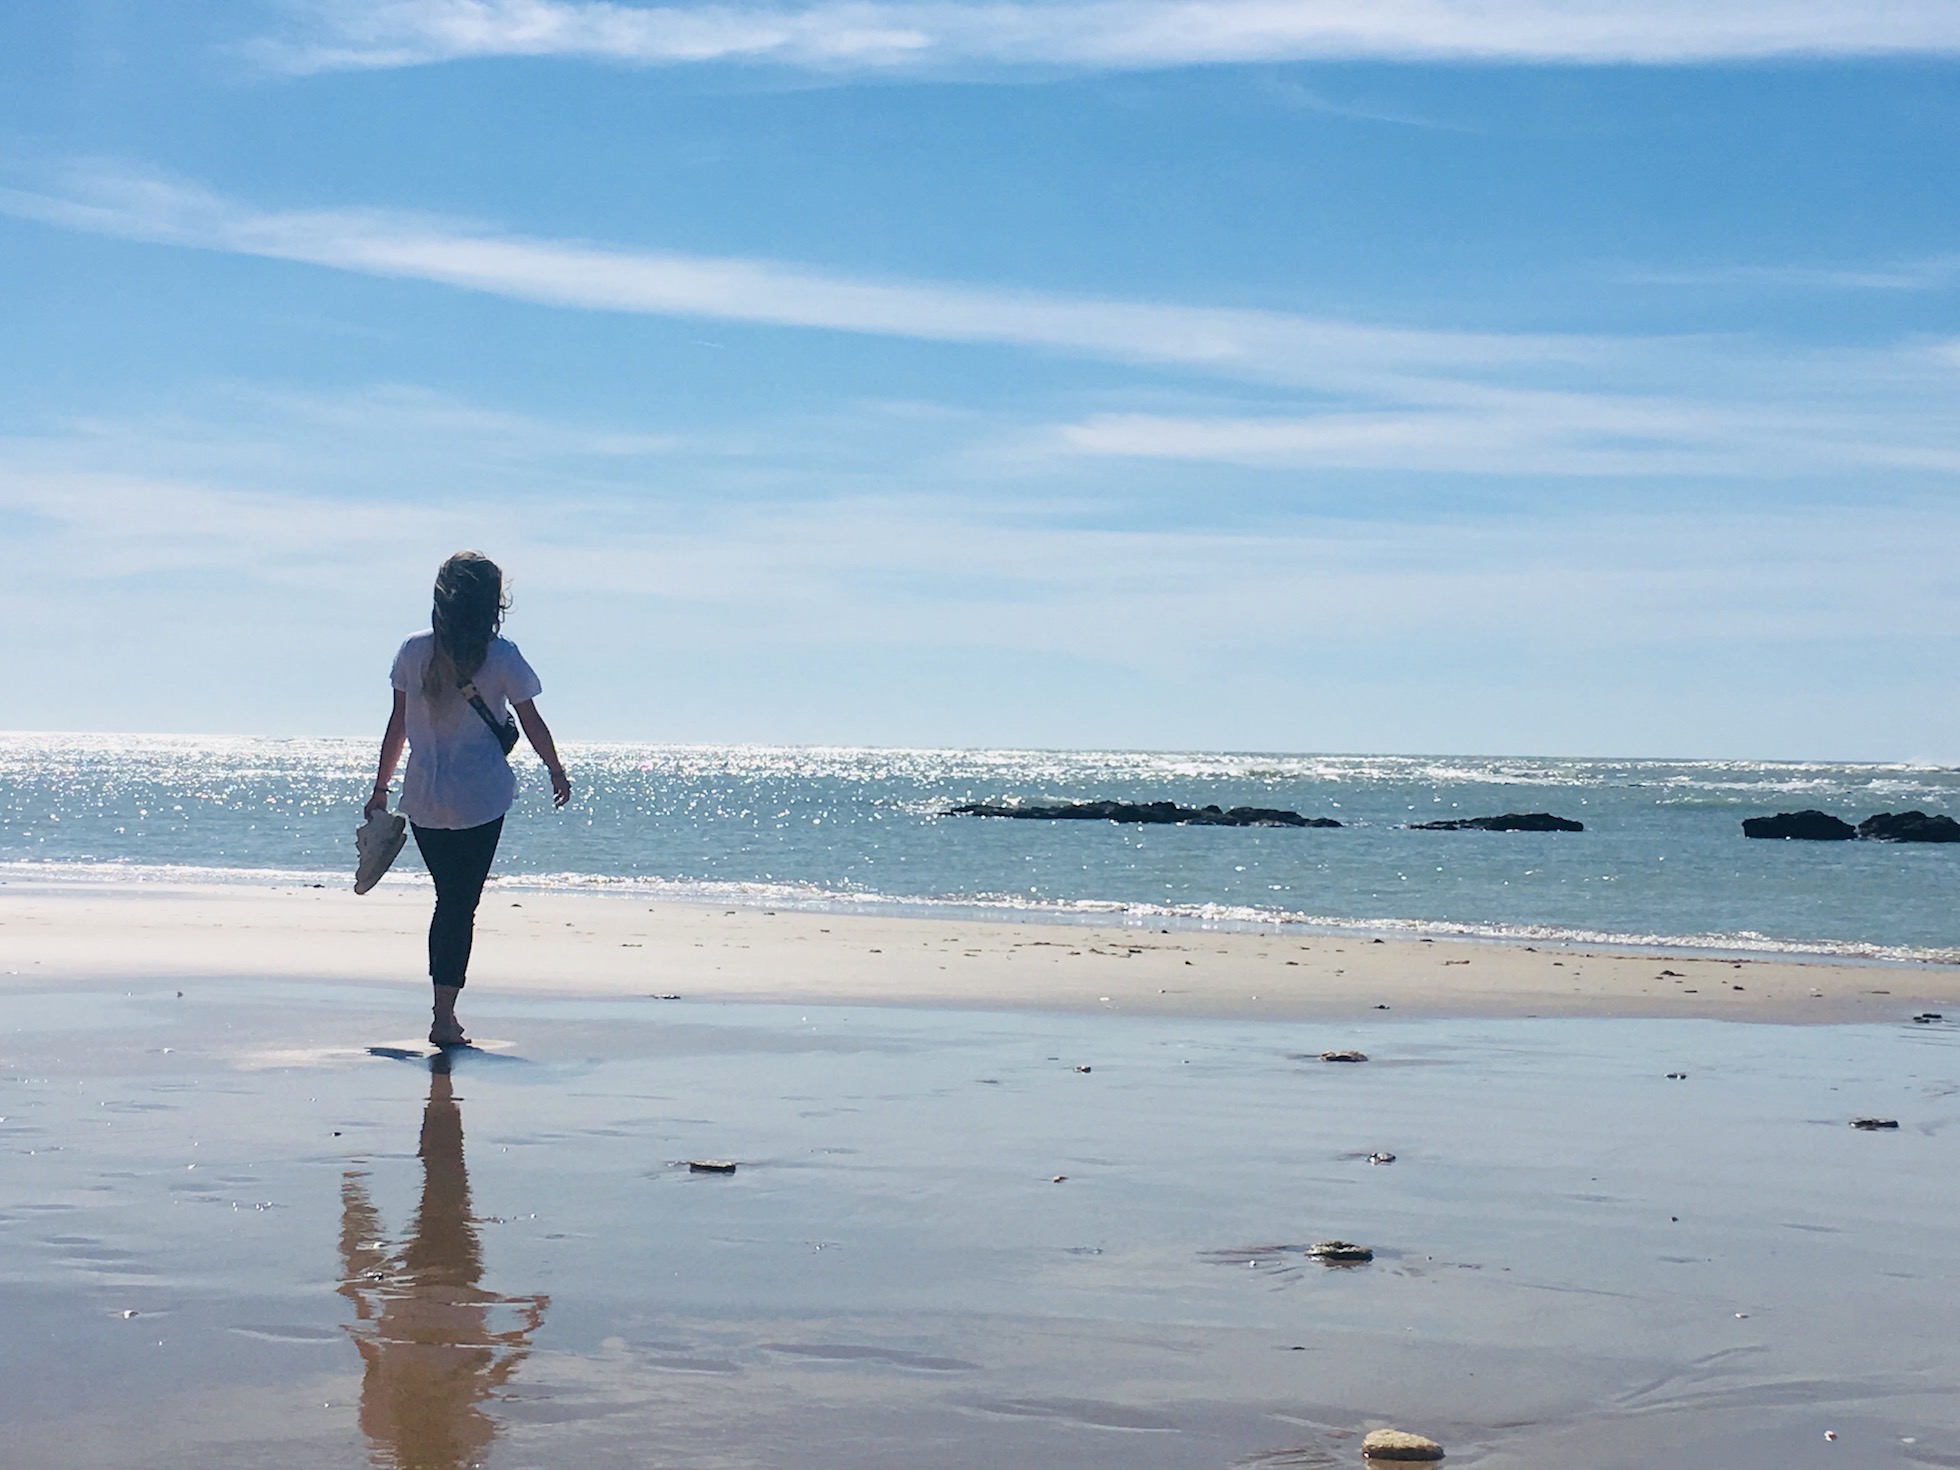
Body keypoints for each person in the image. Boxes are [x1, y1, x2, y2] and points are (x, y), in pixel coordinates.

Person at [365, 551, 571, 1045]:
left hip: (424, 797)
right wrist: (555, 769)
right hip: (481, 798)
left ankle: (444, 1013)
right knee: (460, 904)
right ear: (491, 601)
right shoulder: (502, 656)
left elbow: (397, 725)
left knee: (449, 900)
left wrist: (380, 787)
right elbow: (530, 721)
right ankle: (443, 1017)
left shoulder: (413, 651)